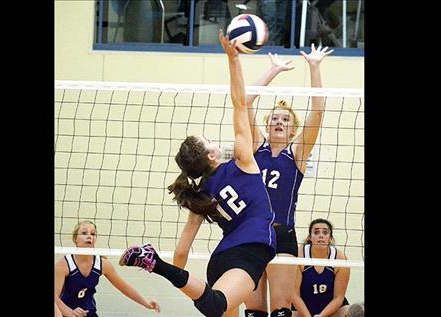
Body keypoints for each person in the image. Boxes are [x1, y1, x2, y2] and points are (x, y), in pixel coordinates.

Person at [118, 29, 276, 317]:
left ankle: (155, 264)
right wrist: (233, 59)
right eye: (210, 141)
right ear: (212, 156)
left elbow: (181, 251)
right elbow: (240, 101)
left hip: (221, 259)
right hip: (250, 250)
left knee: (215, 304)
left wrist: (179, 279)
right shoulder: (242, 160)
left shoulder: (201, 193)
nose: (214, 141)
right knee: (215, 305)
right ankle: (155, 263)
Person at [243, 44, 333, 317]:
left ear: (293, 130)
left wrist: (314, 67)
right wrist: (272, 71)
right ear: (267, 125)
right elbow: (245, 101)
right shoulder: (255, 147)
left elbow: (317, 113)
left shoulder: (297, 154)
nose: (279, 122)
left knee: (282, 310)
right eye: (274, 119)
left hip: (282, 235)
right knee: (254, 310)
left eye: (285, 120)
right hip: (250, 233)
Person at [54, 220, 161, 317]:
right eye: (84, 233)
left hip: (89, 313)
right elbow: (55, 297)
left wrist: (146, 304)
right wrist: (69, 313)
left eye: (93, 234)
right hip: (64, 313)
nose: (89, 236)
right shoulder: (64, 264)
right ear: (75, 239)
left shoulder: (102, 263)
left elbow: (124, 287)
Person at [292, 218, 350, 317]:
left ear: (330, 238)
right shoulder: (299, 255)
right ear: (310, 237)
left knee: (350, 311)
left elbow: (338, 297)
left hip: (331, 310)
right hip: (303, 309)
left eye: (325, 232)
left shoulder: (340, 258)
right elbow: (294, 295)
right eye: (316, 232)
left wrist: (321, 316)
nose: (321, 235)